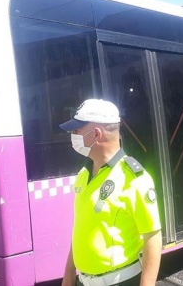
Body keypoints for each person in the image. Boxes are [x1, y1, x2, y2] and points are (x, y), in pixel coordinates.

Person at [60, 99, 162, 286]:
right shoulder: (84, 174)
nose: (72, 135)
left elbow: (152, 237)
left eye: (77, 130)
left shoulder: (134, 178)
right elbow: (81, 230)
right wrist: (68, 275)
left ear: (96, 134)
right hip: (83, 281)